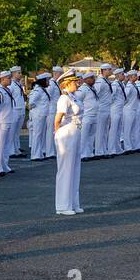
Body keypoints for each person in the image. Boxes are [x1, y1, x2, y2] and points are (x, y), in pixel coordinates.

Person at [54, 71, 84, 216]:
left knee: (75, 168)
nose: (77, 84)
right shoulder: (63, 98)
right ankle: (62, 205)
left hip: (76, 131)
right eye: (74, 82)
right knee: (65, 169)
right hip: (66, 133)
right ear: (66, 84)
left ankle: (73, 202)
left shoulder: (73, 97)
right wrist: (57, 133)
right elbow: (58, 119)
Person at [28, 72, 53, 160]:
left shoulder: (42, 89)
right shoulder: (37, 90)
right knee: (37, 135)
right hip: (38, 115)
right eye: (47, 80)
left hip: (42, 115)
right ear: (43, 81)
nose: (49, 82)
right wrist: (37, 111)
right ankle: (35, 155)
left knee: (40, 135)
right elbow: (31, 102)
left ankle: (39, 154)